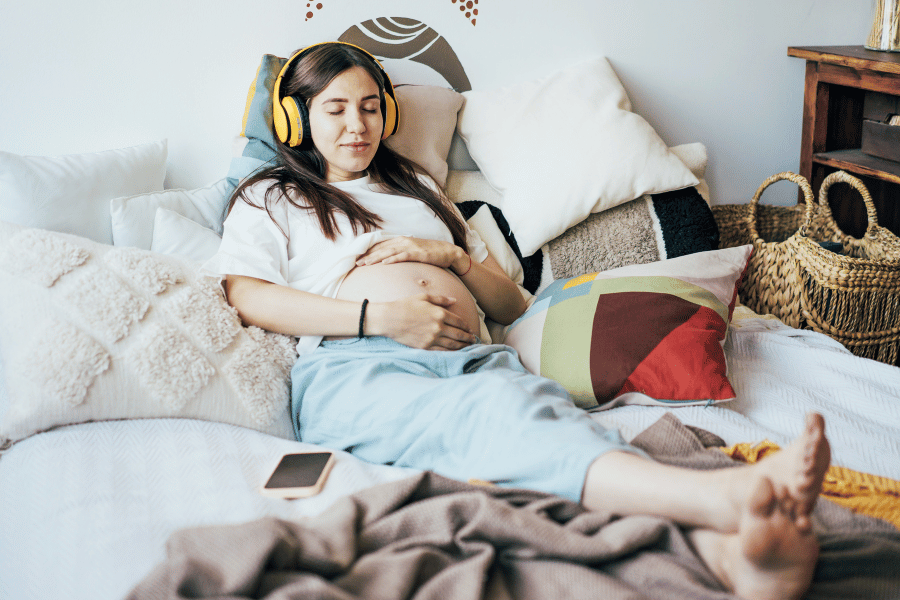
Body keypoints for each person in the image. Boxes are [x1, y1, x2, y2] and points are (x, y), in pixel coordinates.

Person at [204, 42, 831, 600]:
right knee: (500, 419)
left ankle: (724, 557)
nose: (357, 125)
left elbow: (512, 308)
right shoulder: (272, 195)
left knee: (539, 419)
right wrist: (381, 318)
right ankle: (724, 501)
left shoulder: (418, 188)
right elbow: (247, 295)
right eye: (335, 108)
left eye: (370, 107)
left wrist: (449, 255)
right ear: (295, 119)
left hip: (473, 358)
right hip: (357, 367)